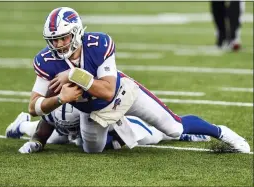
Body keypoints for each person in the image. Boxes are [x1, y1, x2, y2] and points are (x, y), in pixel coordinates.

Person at [23, 7, 250, 154]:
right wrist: (59, 99)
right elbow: (33, 106)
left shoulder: (98, 44)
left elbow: (108, 91)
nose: (59, 45)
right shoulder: (45, 59)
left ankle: (223, 132)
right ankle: (114, 131)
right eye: (54, 40)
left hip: (123, 95)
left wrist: (74, 75)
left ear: (77, 32)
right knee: (92, 149)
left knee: (174, 127)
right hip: (91, 113)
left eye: (63, 38)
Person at [5, 106, 211, 152]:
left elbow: (113, 131)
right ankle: (21, 124)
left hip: (114, 123)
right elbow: (47, 124)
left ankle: (184, 134)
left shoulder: (89, 105)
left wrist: (115, 143)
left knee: (152, 136)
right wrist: (36, 142)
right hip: (75, 129)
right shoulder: (54, 109)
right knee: (58, 137)